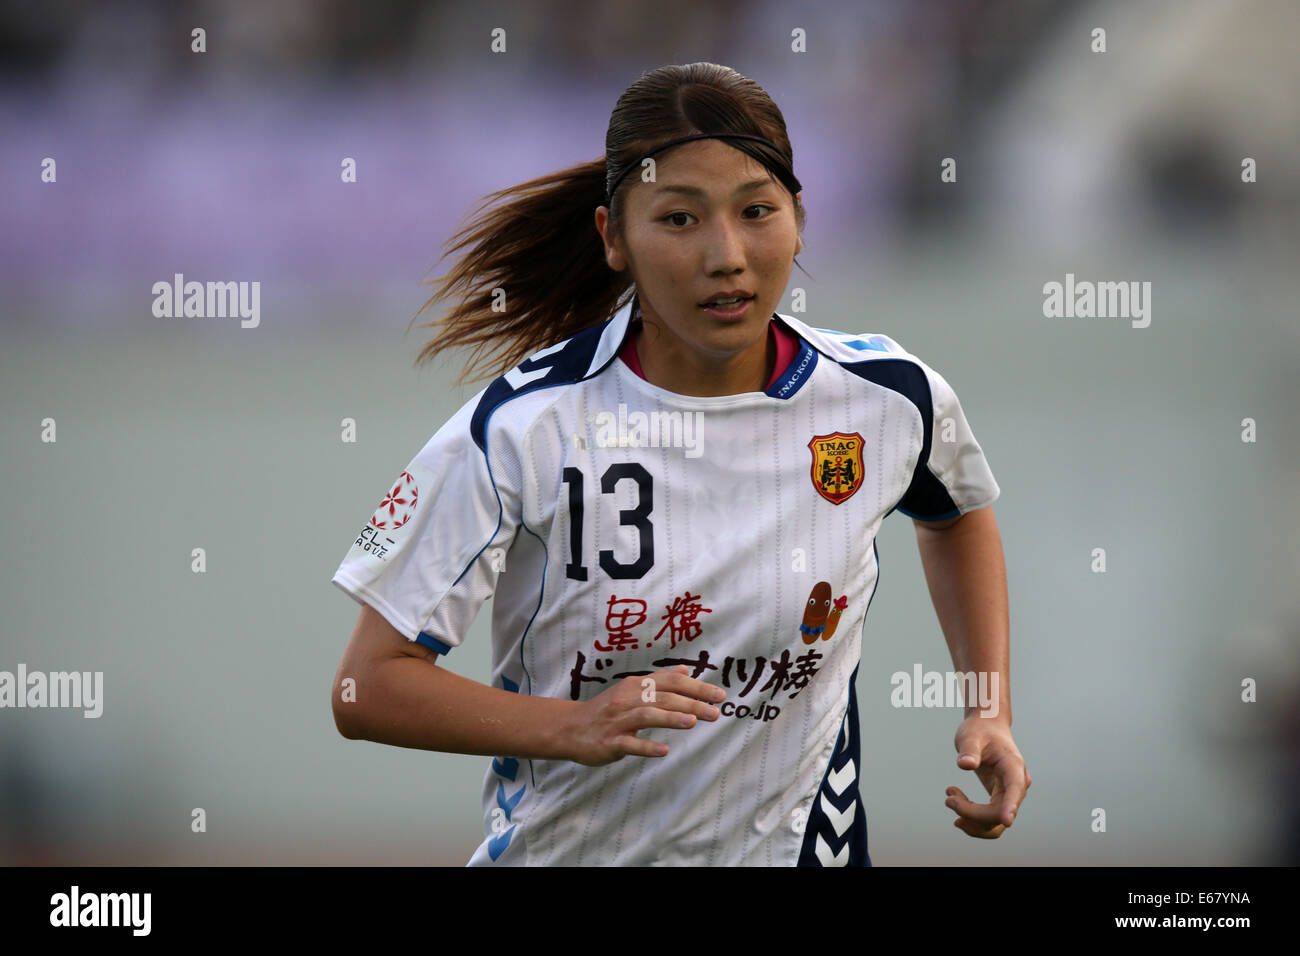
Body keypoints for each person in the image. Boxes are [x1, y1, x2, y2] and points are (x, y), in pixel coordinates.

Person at [329, 62, 1029, 866]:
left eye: (757, 211)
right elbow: (368, 687)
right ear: (613, 239)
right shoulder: (522, 427)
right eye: (680, 219)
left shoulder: (886, 398)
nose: (727, 255)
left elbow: (957, 510)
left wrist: (987, 707)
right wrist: (575, 727)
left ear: (800, 219)